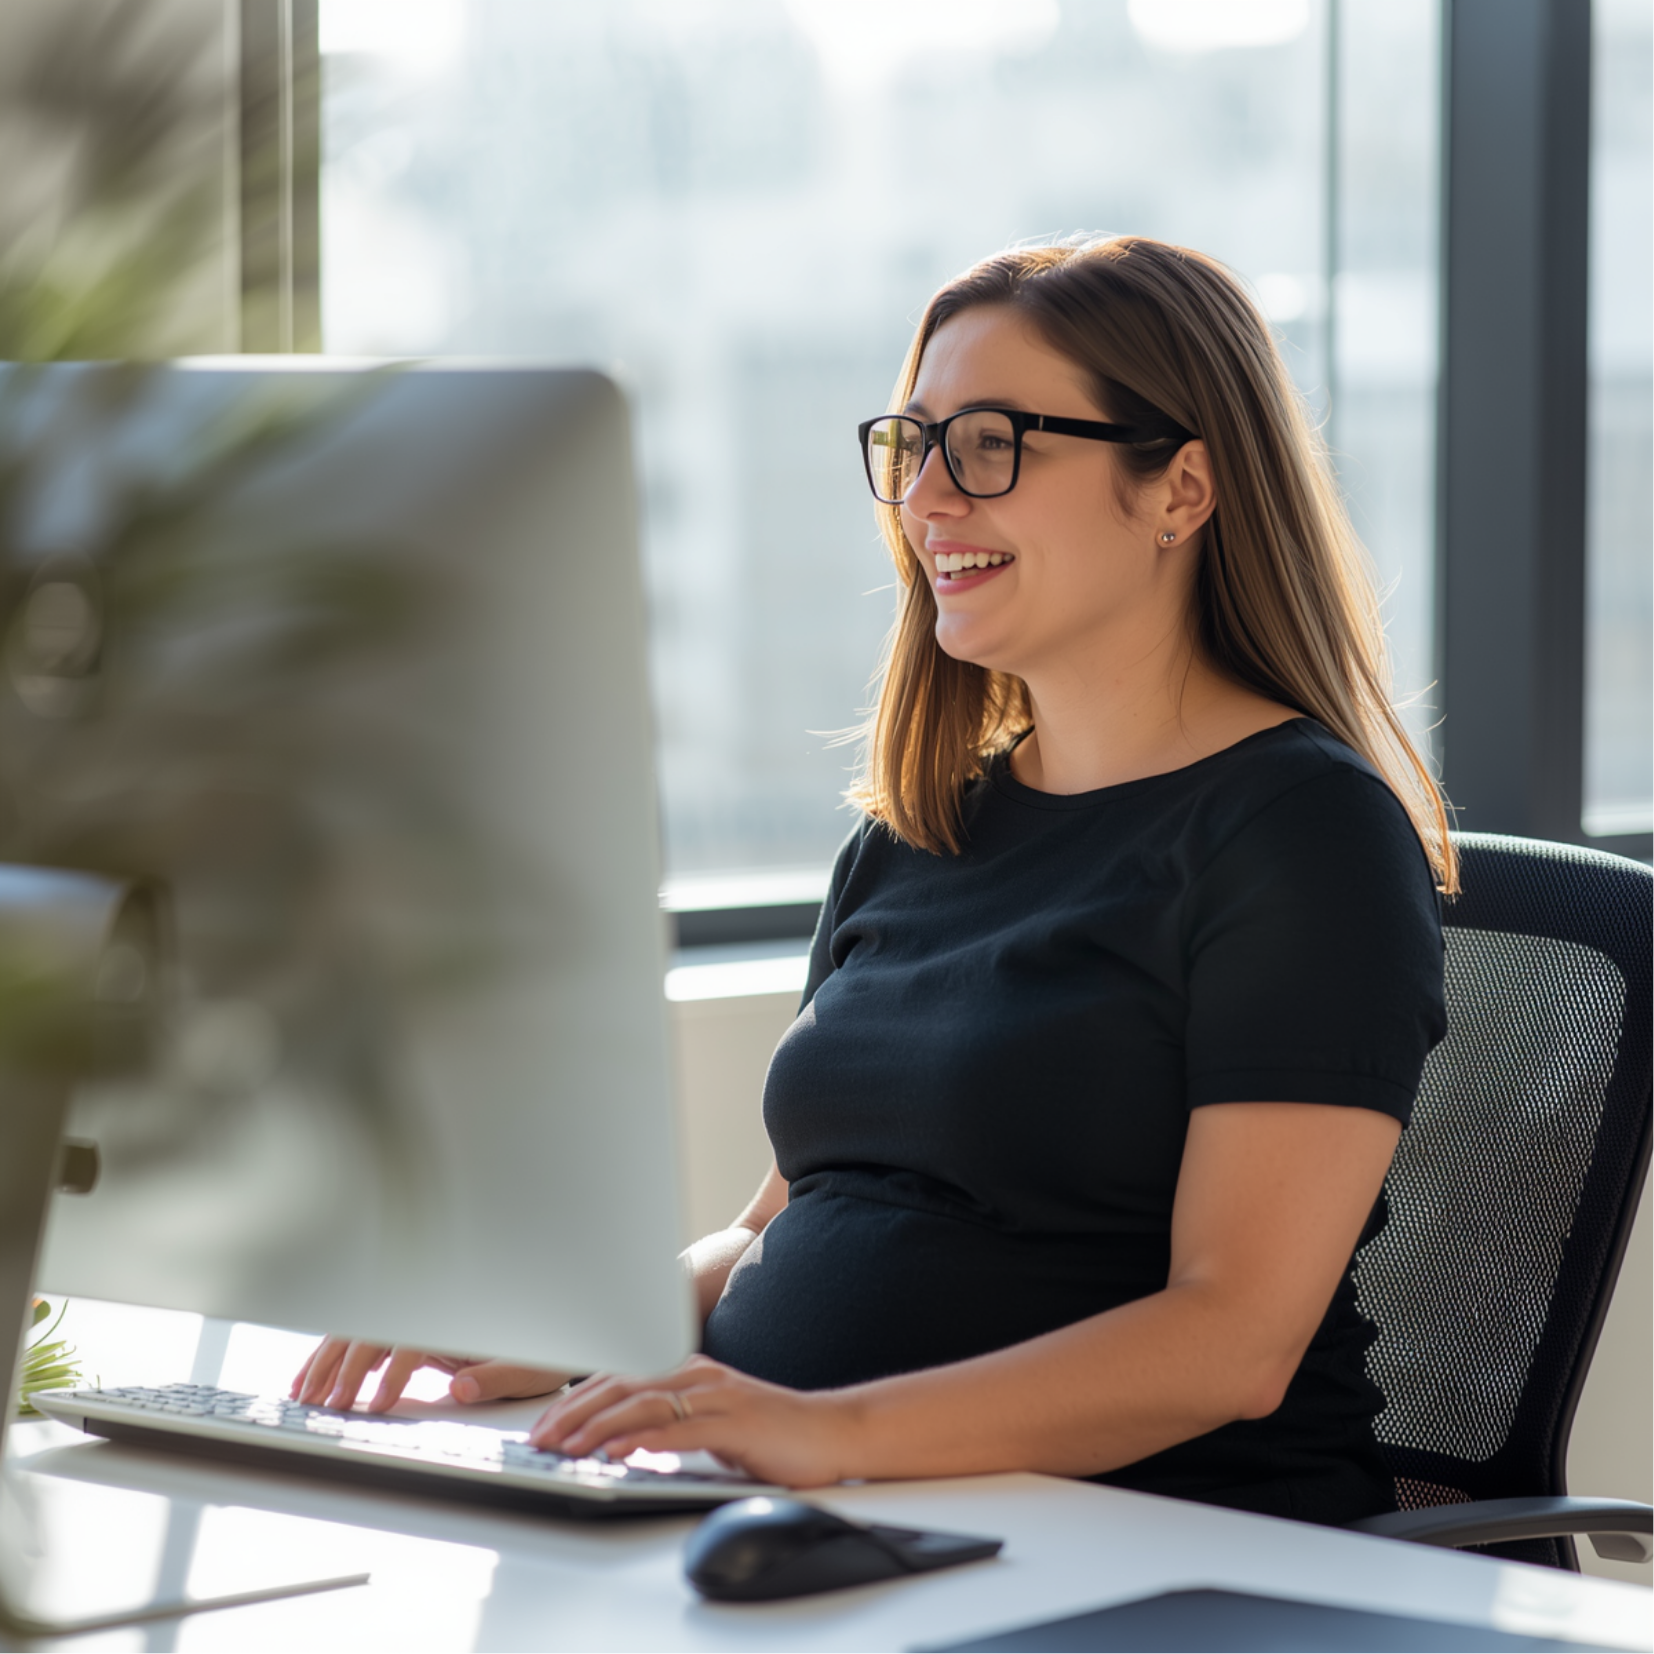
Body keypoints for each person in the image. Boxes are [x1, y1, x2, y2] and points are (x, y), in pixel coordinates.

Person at [293, 235, 1450, 1526]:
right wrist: (568, 1324)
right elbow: (773, 1232)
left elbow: (1227, 1337)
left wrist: (822, 1433)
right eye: (915, 447)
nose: (930, 501)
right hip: (835, 1510)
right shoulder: (917, 831)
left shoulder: (1302, 835)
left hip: (1153, 1541)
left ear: (1179, 487)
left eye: (991, 445)